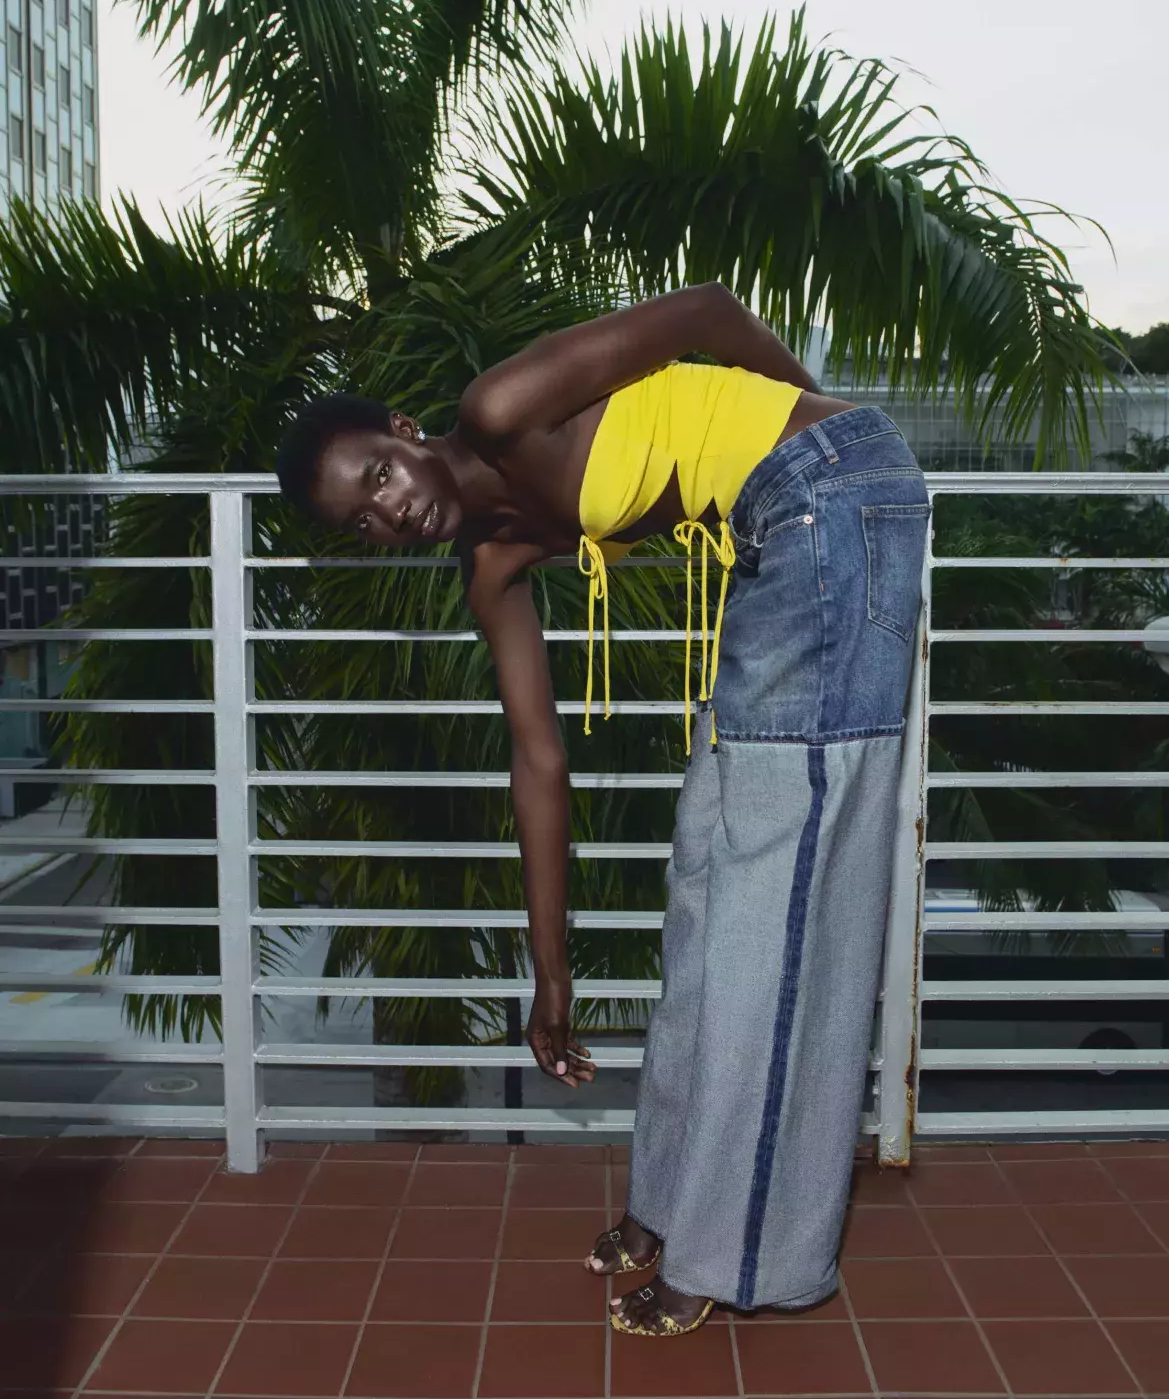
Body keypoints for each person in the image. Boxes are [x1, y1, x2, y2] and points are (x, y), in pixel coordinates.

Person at [275, 282, 929, 1336]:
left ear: (403, 429)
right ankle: (667, 1205)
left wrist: (815, 436)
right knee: (706, 894)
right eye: (364, 518)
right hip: (786, 526)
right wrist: (550, 973)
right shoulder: (492, 565)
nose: (389, 510)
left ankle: (727, 1255)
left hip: (828, 489)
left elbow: (707, 312)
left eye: (378, 473)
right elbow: (537, 762)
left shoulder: (500, 407)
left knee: (771, 920)